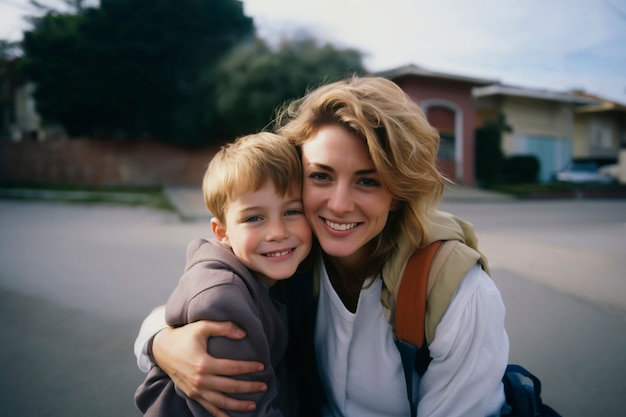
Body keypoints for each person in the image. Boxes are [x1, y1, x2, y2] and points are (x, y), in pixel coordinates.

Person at [134, 75, 509, 417]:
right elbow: (199, 296)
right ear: (295, 178)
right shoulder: (291, 252)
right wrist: (161, 343)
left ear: (397, 194)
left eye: (368, 181)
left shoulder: (457, 293)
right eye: (321, 176)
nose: (340, 204)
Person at [134, 132, 313, 417]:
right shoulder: (223, 301)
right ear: (223, 233)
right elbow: (247, 410)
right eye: (254, 218)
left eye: (292, 211)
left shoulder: (273, 274)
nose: (278, 232)